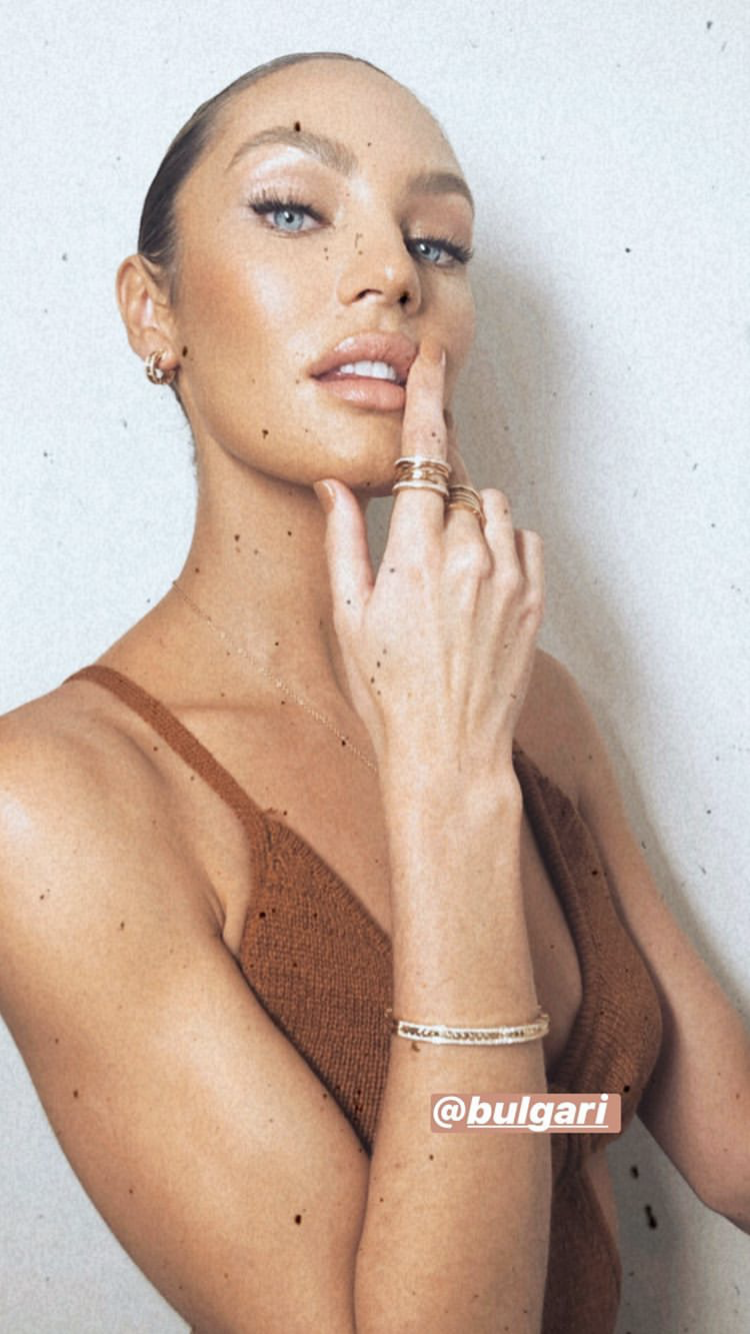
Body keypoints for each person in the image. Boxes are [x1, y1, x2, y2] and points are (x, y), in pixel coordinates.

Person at [0, 48, 747, 1334]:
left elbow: (722, 1139)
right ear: (152, 311)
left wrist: (530, 1114)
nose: (394, 273)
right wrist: (448, 787)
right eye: (295, 209)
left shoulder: (527, 695)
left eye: (437, 243)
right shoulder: (53, 805)